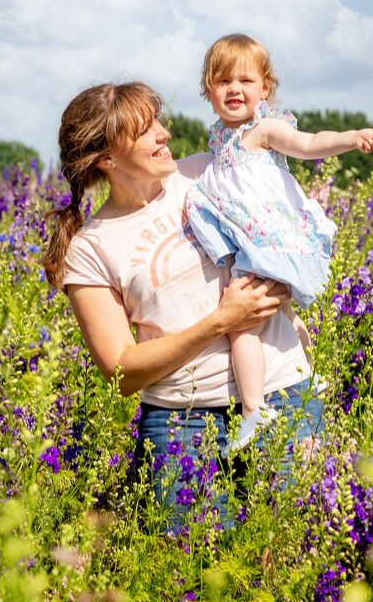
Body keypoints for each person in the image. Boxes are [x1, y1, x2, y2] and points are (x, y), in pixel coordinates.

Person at [42, 81, 323, 531]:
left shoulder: (207, 173)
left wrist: (292, 281)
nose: (164, 133)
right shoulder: (91, 249)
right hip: (181, 424)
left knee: (295, 549)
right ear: (107, 158)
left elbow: (285, 227)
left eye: (158, 121)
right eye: (144, 130)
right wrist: (220, 322)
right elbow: (121, 371)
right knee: (195, 565)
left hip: (281, 394)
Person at [185, 34, 373, 455]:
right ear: (208, 90)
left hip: (268, 243)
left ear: (265, 89)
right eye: (223, 81)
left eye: (245, 80)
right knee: (287, 316)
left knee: (241, 327)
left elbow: (309, 144)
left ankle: (253, 410)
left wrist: (351, 137)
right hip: (257, 241)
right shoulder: (219, 139)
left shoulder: (264, 130)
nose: (234, 89)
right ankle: (308, 375)